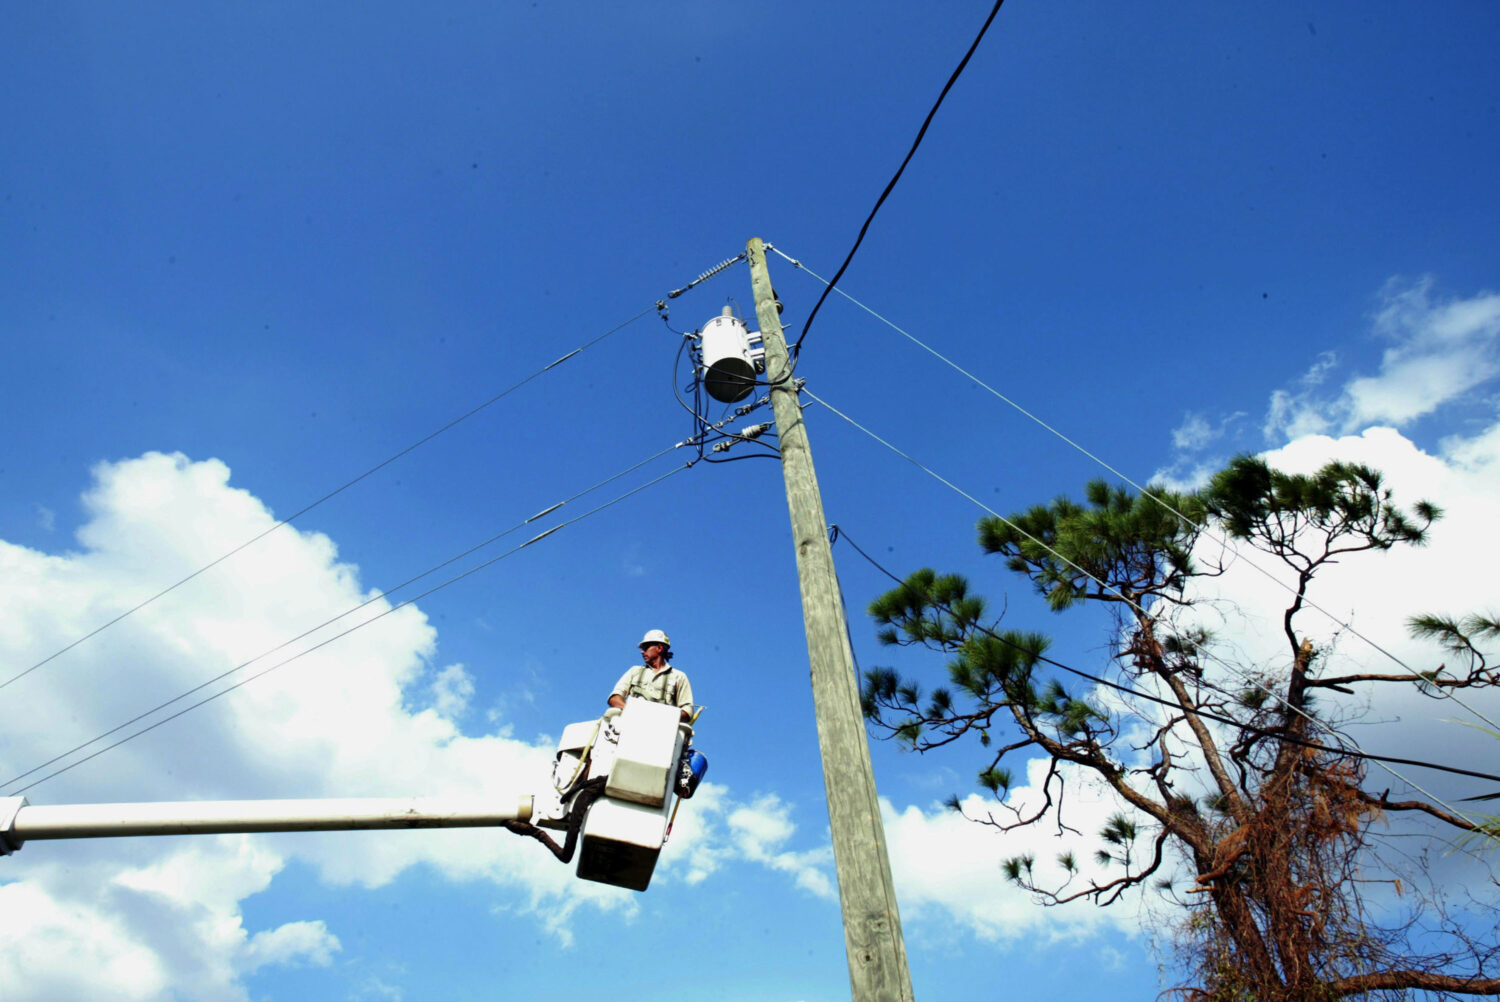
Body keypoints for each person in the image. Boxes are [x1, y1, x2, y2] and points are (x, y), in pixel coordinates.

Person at [608, 629, 693, 722]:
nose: (642, 652)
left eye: (645, 647)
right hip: (631, 725)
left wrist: (659, 716)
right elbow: (614, 698)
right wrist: (631, 711)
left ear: (659, 648)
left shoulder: (678, 677)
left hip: (662, 731)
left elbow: (687, 712)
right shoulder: (635, 671)